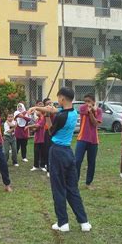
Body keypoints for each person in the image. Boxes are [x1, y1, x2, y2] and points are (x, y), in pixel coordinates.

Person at [29, 87, 91, 232]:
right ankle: (84, 222)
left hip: (57, 151)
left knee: (58, 188)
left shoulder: (61, 117)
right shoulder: (74, 113)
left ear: (62, 99)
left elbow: (50, 131)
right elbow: (55, 110)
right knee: (72, 188)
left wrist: (46, 116)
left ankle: (63, 223)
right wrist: (40, 108)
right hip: (69, 152)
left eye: (58, 99)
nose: (56, 102)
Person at [75, 93, 102, 189]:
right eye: (85, 101)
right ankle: (74, 182)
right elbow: (86, 111)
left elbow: (95, 124)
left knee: (91, 162)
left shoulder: (98, 110)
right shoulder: (82, 108)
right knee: (77, 161)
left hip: (94, 140)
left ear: (94, 102)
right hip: (82, 138)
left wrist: (93, 112)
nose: (87, 103)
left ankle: (88, 183)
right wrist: (90, 111)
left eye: (89, 101)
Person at [42, 98, 55, 177]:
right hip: (48, 132)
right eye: (48, 103)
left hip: (55, 131)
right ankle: (48, 169)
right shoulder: (45, 111)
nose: (50, 104)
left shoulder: (54, 109)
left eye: (51, 103)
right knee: (48, 150)